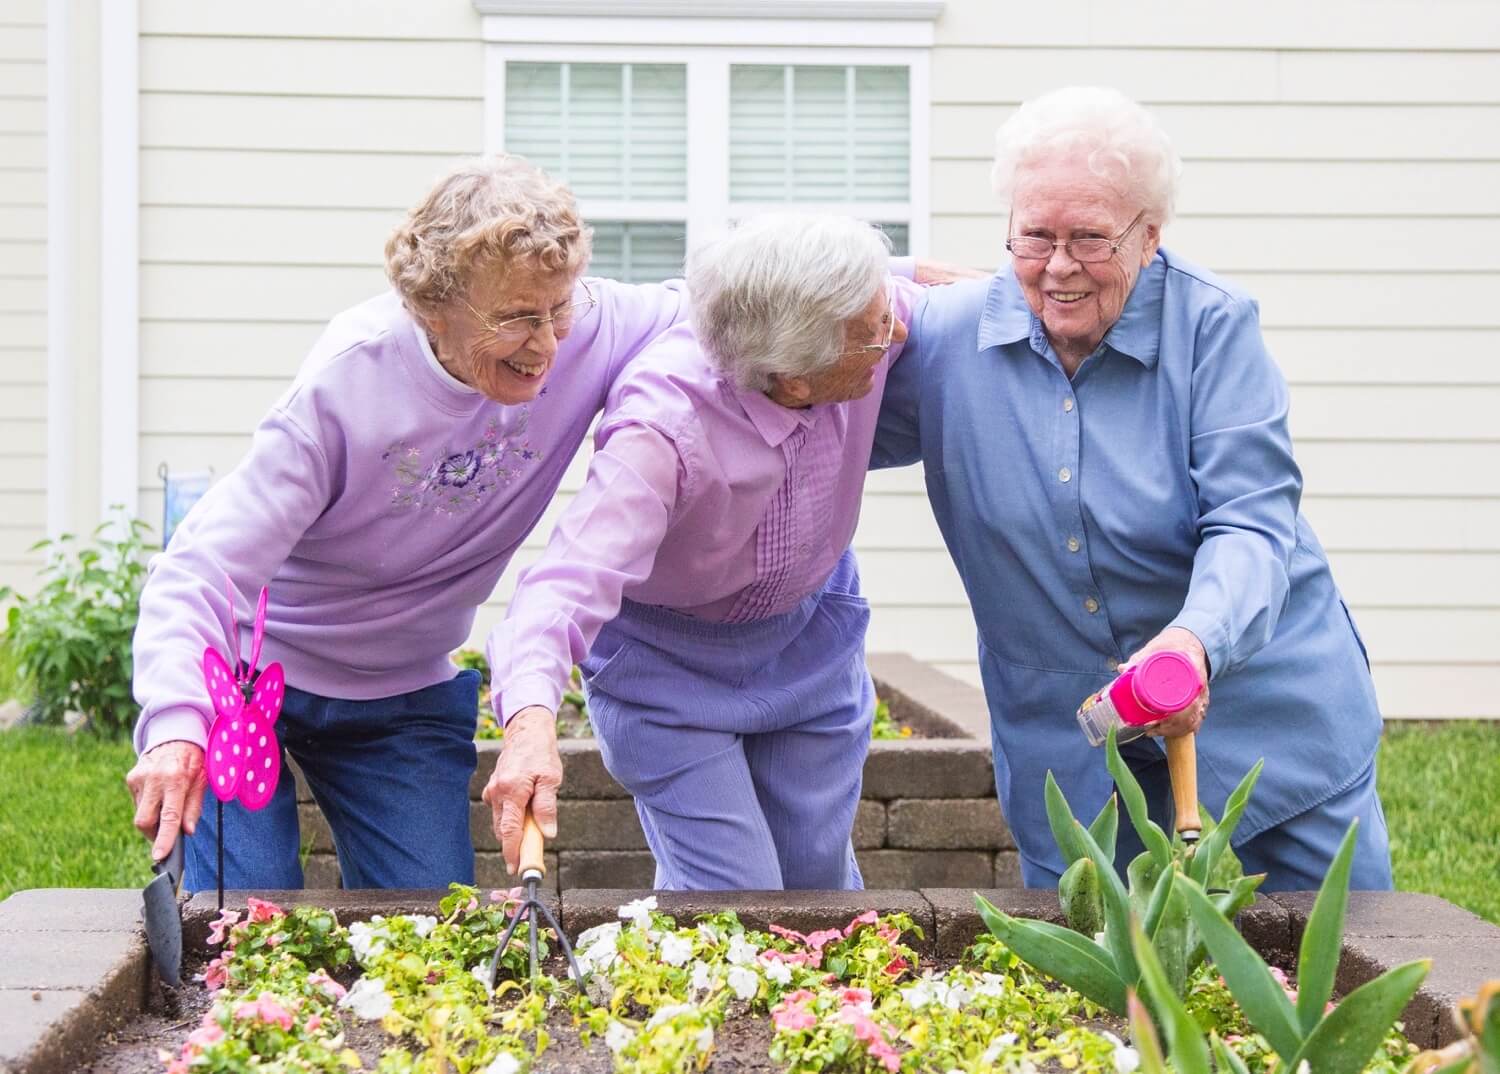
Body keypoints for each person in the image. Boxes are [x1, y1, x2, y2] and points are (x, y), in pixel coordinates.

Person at [873, 87, 1393, 891]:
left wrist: (1194, 643)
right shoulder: (948, 340)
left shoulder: (1213, 330)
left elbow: (1252, 524)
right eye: (1034, 236)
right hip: (1077, 764)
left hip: (1270, 741)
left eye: (1089, 238)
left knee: (1329, 996)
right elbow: (803, 410)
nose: (1057, 267)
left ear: (1151, 234)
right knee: (1114, 1009)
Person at [125, 155, 692, 890]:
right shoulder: (347, 384)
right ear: (432, 307)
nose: (548, 343)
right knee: (245, 919)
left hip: (401, 695)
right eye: (518, 317)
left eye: (558, 309)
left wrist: (887, 282)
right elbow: (199, 568)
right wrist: (175, 722)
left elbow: (740, 300)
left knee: (428, 928)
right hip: (252, 676)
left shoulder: (590, 324)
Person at [483, 213, 921, 890]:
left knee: (820, 891)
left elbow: (925, 294)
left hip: (809, 643)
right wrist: (530, 724)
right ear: (794, 379)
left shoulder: (855, 319)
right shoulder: (663, 427)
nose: (892, 336)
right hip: (668, 676)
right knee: (730, 899)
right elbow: (564, 582)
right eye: (870, 336)